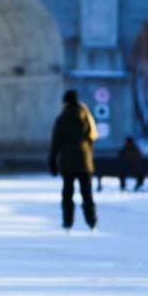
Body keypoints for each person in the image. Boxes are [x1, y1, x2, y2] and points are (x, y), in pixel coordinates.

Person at [48, 90, 98, 231]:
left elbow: (56, 141)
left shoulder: (62, 118)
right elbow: (93, 136)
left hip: (67, 161)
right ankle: (92, 222)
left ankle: (67, 222)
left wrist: (52, 159)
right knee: (87, 193)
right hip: (84, 160)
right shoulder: (86, 115)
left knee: (67, 193)